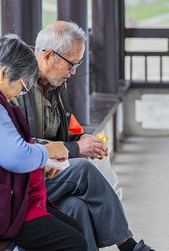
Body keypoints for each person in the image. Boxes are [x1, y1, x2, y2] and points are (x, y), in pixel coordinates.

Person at [16, 21, 154, 251]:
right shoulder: (19, 86)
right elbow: (20, 145)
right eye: (71, 64)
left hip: (48, 173)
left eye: (78, 64)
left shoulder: (56, 83)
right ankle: (128, 245)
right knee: (83, 171)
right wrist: (76, 149)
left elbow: (65, 132)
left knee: (76, 206)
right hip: (24, 180)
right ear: (49, 56)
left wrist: (84, 142)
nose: (74, 72)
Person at [0, 34, 87, 250]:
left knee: (73, 228)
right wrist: (51, 150)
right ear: (4, 73)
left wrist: (40, 161)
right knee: (73, 242)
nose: (19, 94)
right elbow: (15, 157)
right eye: (23, 86)